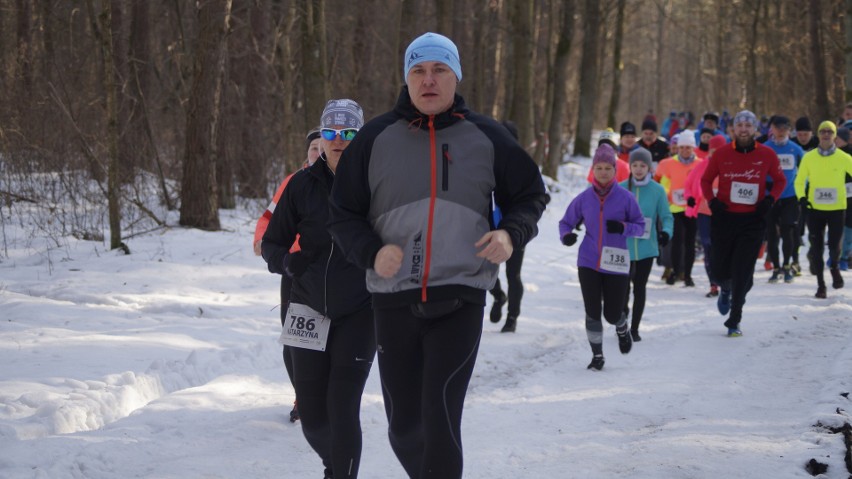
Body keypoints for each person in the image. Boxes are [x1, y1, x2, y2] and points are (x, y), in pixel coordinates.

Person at [327, 32, 547, 479]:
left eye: (439, 70)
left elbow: (530, 195)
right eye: (418, 71)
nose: (429, 81)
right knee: (404, 431)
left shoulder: (486, 136)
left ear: (455, 75)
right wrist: (371, 252)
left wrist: (510, 233)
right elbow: (341, 213)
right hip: (393, 300)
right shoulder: (374, 138)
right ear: (406, 79)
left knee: (441, 417)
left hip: (461, 294)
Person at [262, 99, 376, 479]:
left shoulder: (376, 182)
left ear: (360, 136)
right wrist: (287, 262)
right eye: (331, 132)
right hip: (308, 307)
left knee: (343, 408)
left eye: (348, 132)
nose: (339, 140)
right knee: (312, 417)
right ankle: (337, 465)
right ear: (320, 137)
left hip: (360, 311)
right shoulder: (300, 185)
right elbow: (272, 243)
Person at [253, 127, 321, 423]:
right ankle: (303, 397)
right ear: (306, 153)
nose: (318, 152)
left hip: (333, 272)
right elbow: (270, 216)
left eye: (323, 146)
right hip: (295, 269)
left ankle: (328, 393)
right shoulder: (293, 182)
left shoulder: (349, 181)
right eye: (313, 148)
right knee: (296, 336)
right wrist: (262, 239)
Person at [701, 110, 787, 337]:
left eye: (749, 125)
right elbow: (706, 180)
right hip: (725, 218)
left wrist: (769, 200)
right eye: (739, 125)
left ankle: (735, 318)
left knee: (743, 271)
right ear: (733, 130)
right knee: (720, 271)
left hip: (752, 220)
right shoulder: (721, 154)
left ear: (755, 129)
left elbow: (780, 180)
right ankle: (726, 289)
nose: (744, 129)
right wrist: (712, 201)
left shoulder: (767, 154)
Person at [560, 144, 644, 369]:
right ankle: (597, 356)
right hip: (588, 261)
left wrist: (623, 227)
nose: (604, 172)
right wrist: (566, 235)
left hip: (615, 261)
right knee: (592, 311)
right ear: (593, 170)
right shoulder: (584, 198)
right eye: (599, 167)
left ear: (615, 170)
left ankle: (621, 326)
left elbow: (641, 226)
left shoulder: (625, 198)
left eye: (608, 168)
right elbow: (565, 222)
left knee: (612, 313)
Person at [794, 120, 852, 298]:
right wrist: (802, 198)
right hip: (815, 209)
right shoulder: (809, 157)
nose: (826, 134)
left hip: (837, 209)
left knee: (834, 247)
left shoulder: (844, 158)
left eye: (830, 131)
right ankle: (821, 285)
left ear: (835, 135)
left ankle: (834, 266)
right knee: (816, 248)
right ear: (818, 135)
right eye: (822, 131)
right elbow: (799, 180)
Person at [620, 148, 673, 341]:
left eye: (643, 165)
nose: (639, 169)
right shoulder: (620, 188)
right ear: (630, 166)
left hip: (646, 248)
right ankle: (623, 319)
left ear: (650, 167)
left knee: (639, 286)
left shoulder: (657, 190)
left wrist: (666, 232)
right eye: (635, 165)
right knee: (623, 287)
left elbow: (667, 217)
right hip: (623, 246)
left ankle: (634, 329)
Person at [489, 120, 531, 333]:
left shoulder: (523, 166)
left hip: (514, 229)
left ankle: (512, 317)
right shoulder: (484, 161)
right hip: (487, 228)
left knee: (513, 274)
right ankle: (498, 296)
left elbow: (535, 195)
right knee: (485, 270)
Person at [654, 129, 703, 286]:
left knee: (690, 243)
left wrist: (697, 197)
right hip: (674, 208)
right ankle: (675, 271)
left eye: (688, 147)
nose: (684, 150)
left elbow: (705, 184)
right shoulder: (668, 163)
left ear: (693, 148)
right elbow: (659, 182)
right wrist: (667, 195)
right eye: (682, 147)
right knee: (677, 241)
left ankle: (687, 275)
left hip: (693, 209)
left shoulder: (700, 164)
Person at [762, 116, 804, 283]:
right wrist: (764, 186)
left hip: (790, 196)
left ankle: (787, 266)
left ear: (789, 129)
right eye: (777, 128)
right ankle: (776, 267)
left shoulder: (795, 149)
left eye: (784, 128)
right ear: (771, 128)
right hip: (770, 196)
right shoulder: (765, 148)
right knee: (772, 234)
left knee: (788, 231)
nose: (780, 131)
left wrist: (801, 189)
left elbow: (805, 171)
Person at [684, 134, 727, 297]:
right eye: (713, 151)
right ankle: (713, 284)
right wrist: (689, 198)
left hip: (725, 213)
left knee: (723, 247)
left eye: (720, 151)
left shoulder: (731, 166)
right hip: (704, 212)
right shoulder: (702, 166)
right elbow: (688, 184)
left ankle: (725, 281)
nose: (716, 155)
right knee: (708, 246)